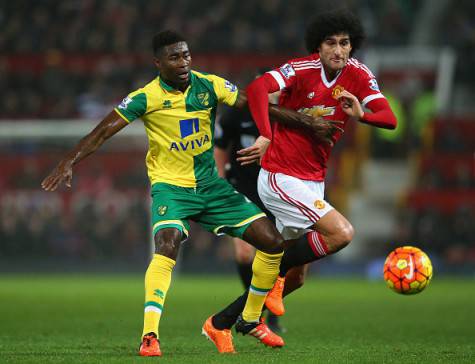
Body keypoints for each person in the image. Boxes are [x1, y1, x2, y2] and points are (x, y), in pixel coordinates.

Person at [41, 30, 340, 357]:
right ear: (158, 63)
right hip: (171, 188)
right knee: (167, 245)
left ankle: (251, 318)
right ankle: (150, 335)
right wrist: (68, 161)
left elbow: (253, 104)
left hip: (211, 186)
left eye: (185, 55)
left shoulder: (209, 84)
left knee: (272, 242)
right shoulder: (147, 97)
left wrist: (304, 123)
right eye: (174, 57)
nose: (183, 62)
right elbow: (103, 131)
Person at [206, 9, 397, 346]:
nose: (338, 50)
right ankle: (272, 281)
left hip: (312, 179)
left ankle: (224, 321)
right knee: (342, 233)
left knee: (297, 277)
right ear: (318, 47)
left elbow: (389, 118)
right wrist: (266, 134)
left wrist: (362, 115)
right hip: (280, 176)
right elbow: (257, 88)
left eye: (345, 43)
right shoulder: (300, 69)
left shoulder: (358, 74)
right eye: (331, 43)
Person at [214, 71, 285, 332]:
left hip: (276, 188)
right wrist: (220, 185)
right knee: (244, 253)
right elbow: (219, 149)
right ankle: (255, 308)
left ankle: (265, 310)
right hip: (242, 188)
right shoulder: (235, 114)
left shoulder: (283, 114)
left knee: (275, 253)